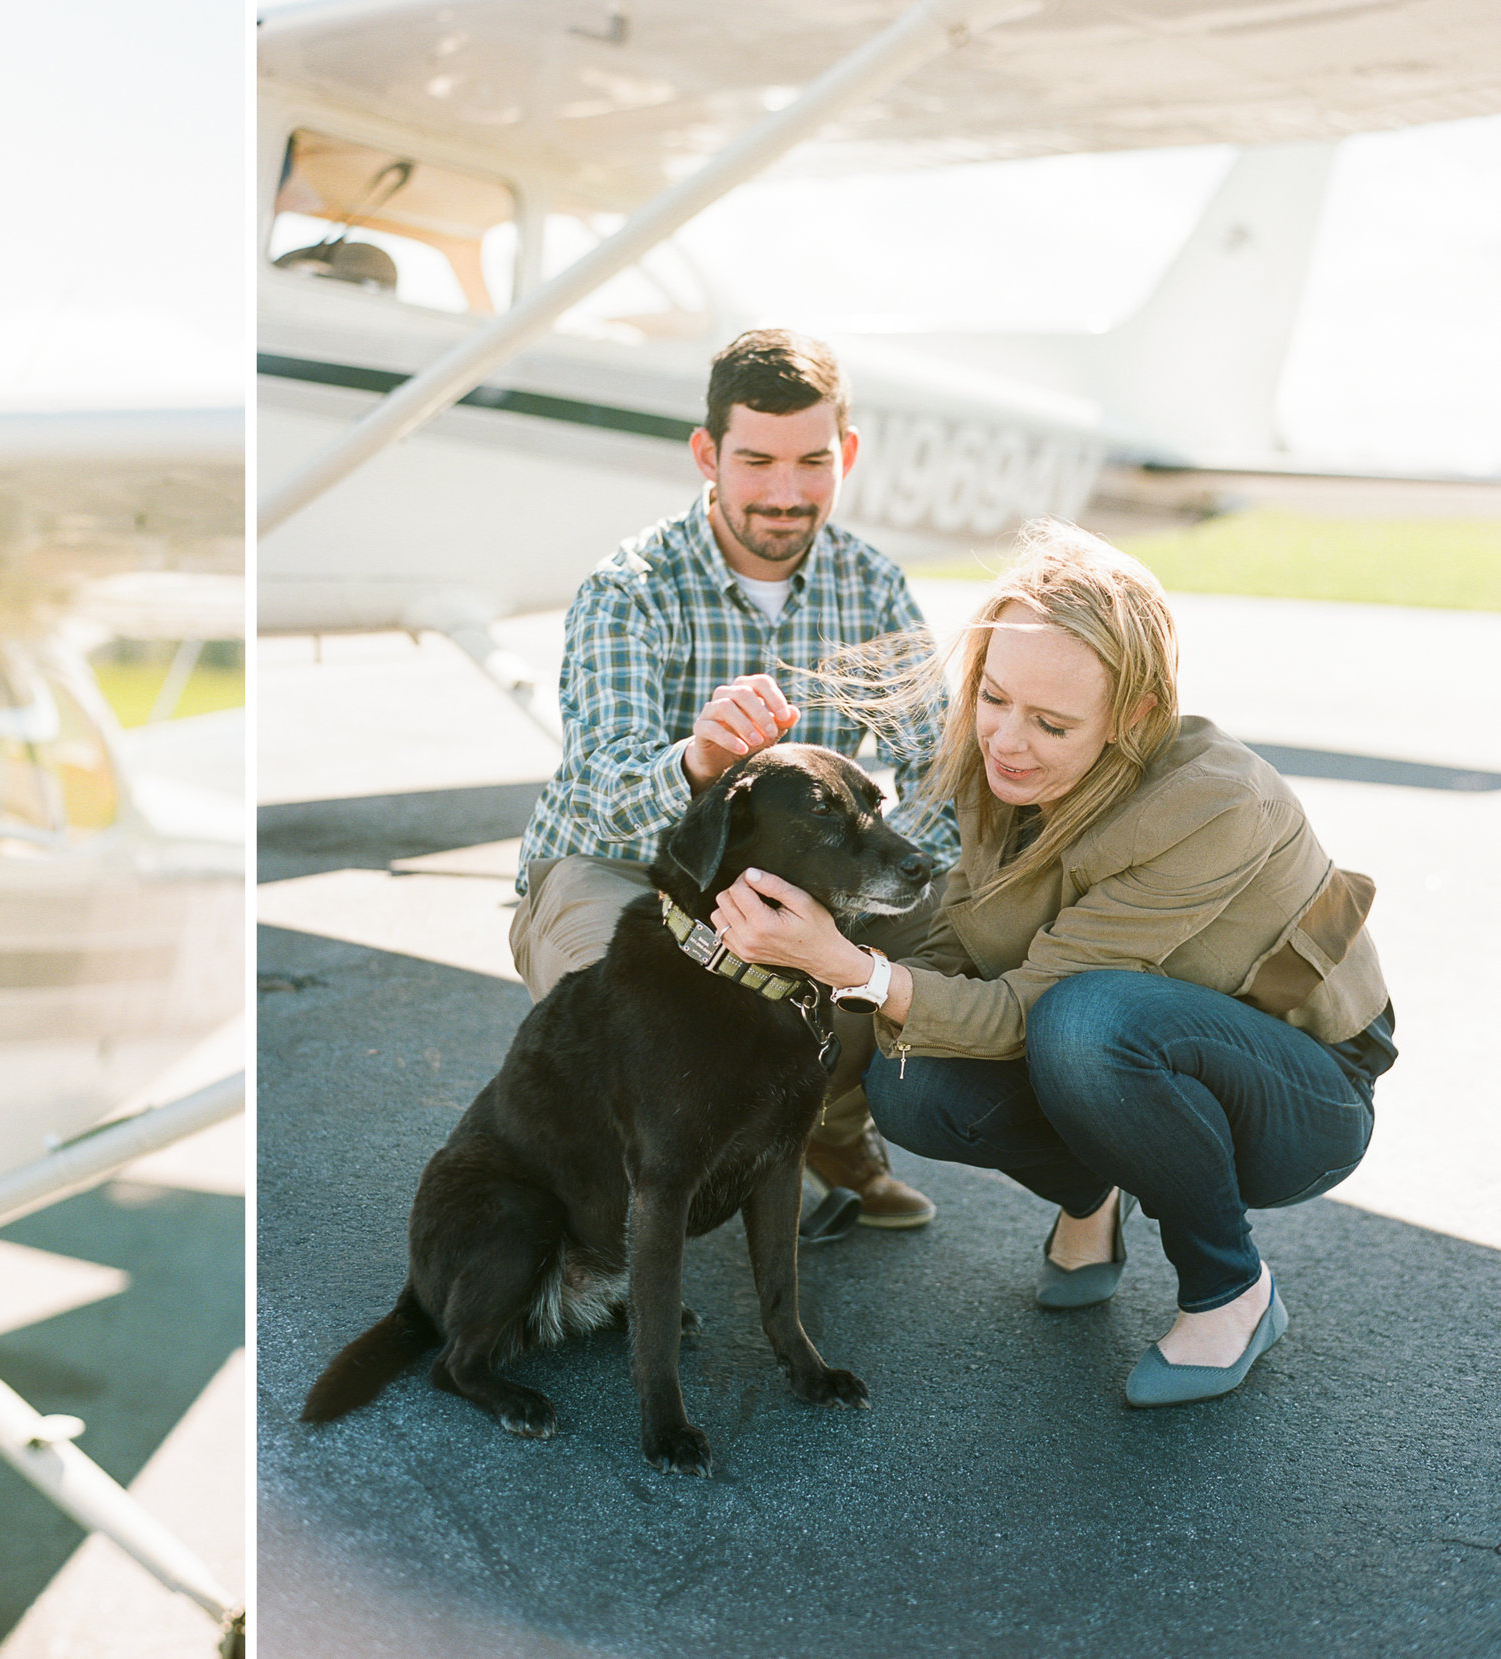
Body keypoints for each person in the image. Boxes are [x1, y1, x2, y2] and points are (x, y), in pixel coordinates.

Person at [703, 521, 1394, 1405]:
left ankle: (1232, 1288)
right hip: (1140, 1044)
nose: (1007, 741)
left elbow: (1033, 1008)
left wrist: (854, 967)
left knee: (1084, 1024)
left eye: (1051, 721)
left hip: (1307, 1090)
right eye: (994, 698)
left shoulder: (1214, 803)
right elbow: (956, 940)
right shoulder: (995, 764)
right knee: (912, 1080)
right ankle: (1091, 1191)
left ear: (1134, 717)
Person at [513, 327, 958, 1228]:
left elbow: (941, 774)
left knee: (955, 921)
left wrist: (865, 903)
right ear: (707, 453)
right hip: (626, 870)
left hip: (799, 875)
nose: (786, 494)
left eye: (812, 462)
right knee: (627, 1003)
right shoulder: (629, 586)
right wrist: (695, 762)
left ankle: (825, 1122)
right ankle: (617, 1201)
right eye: (756, 461)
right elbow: (601, 790)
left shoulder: (872, 587)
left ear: (849, 455)